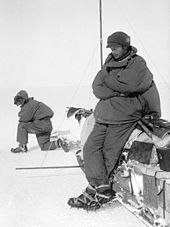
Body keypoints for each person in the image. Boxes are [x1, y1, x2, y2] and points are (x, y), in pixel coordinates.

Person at [68, 31, 161, 210]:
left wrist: (110, 82)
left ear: (125, 47)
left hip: (125, 114)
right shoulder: (109, 62)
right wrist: (118, 90)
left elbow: (131, 85)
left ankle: (98, 189)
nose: (113, 50)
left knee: (110, 152)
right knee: (90, 148)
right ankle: (100, 186)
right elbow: (97, 88)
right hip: (105, 113)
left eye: (116, 47)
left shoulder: (137, 63)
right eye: (110, 47)